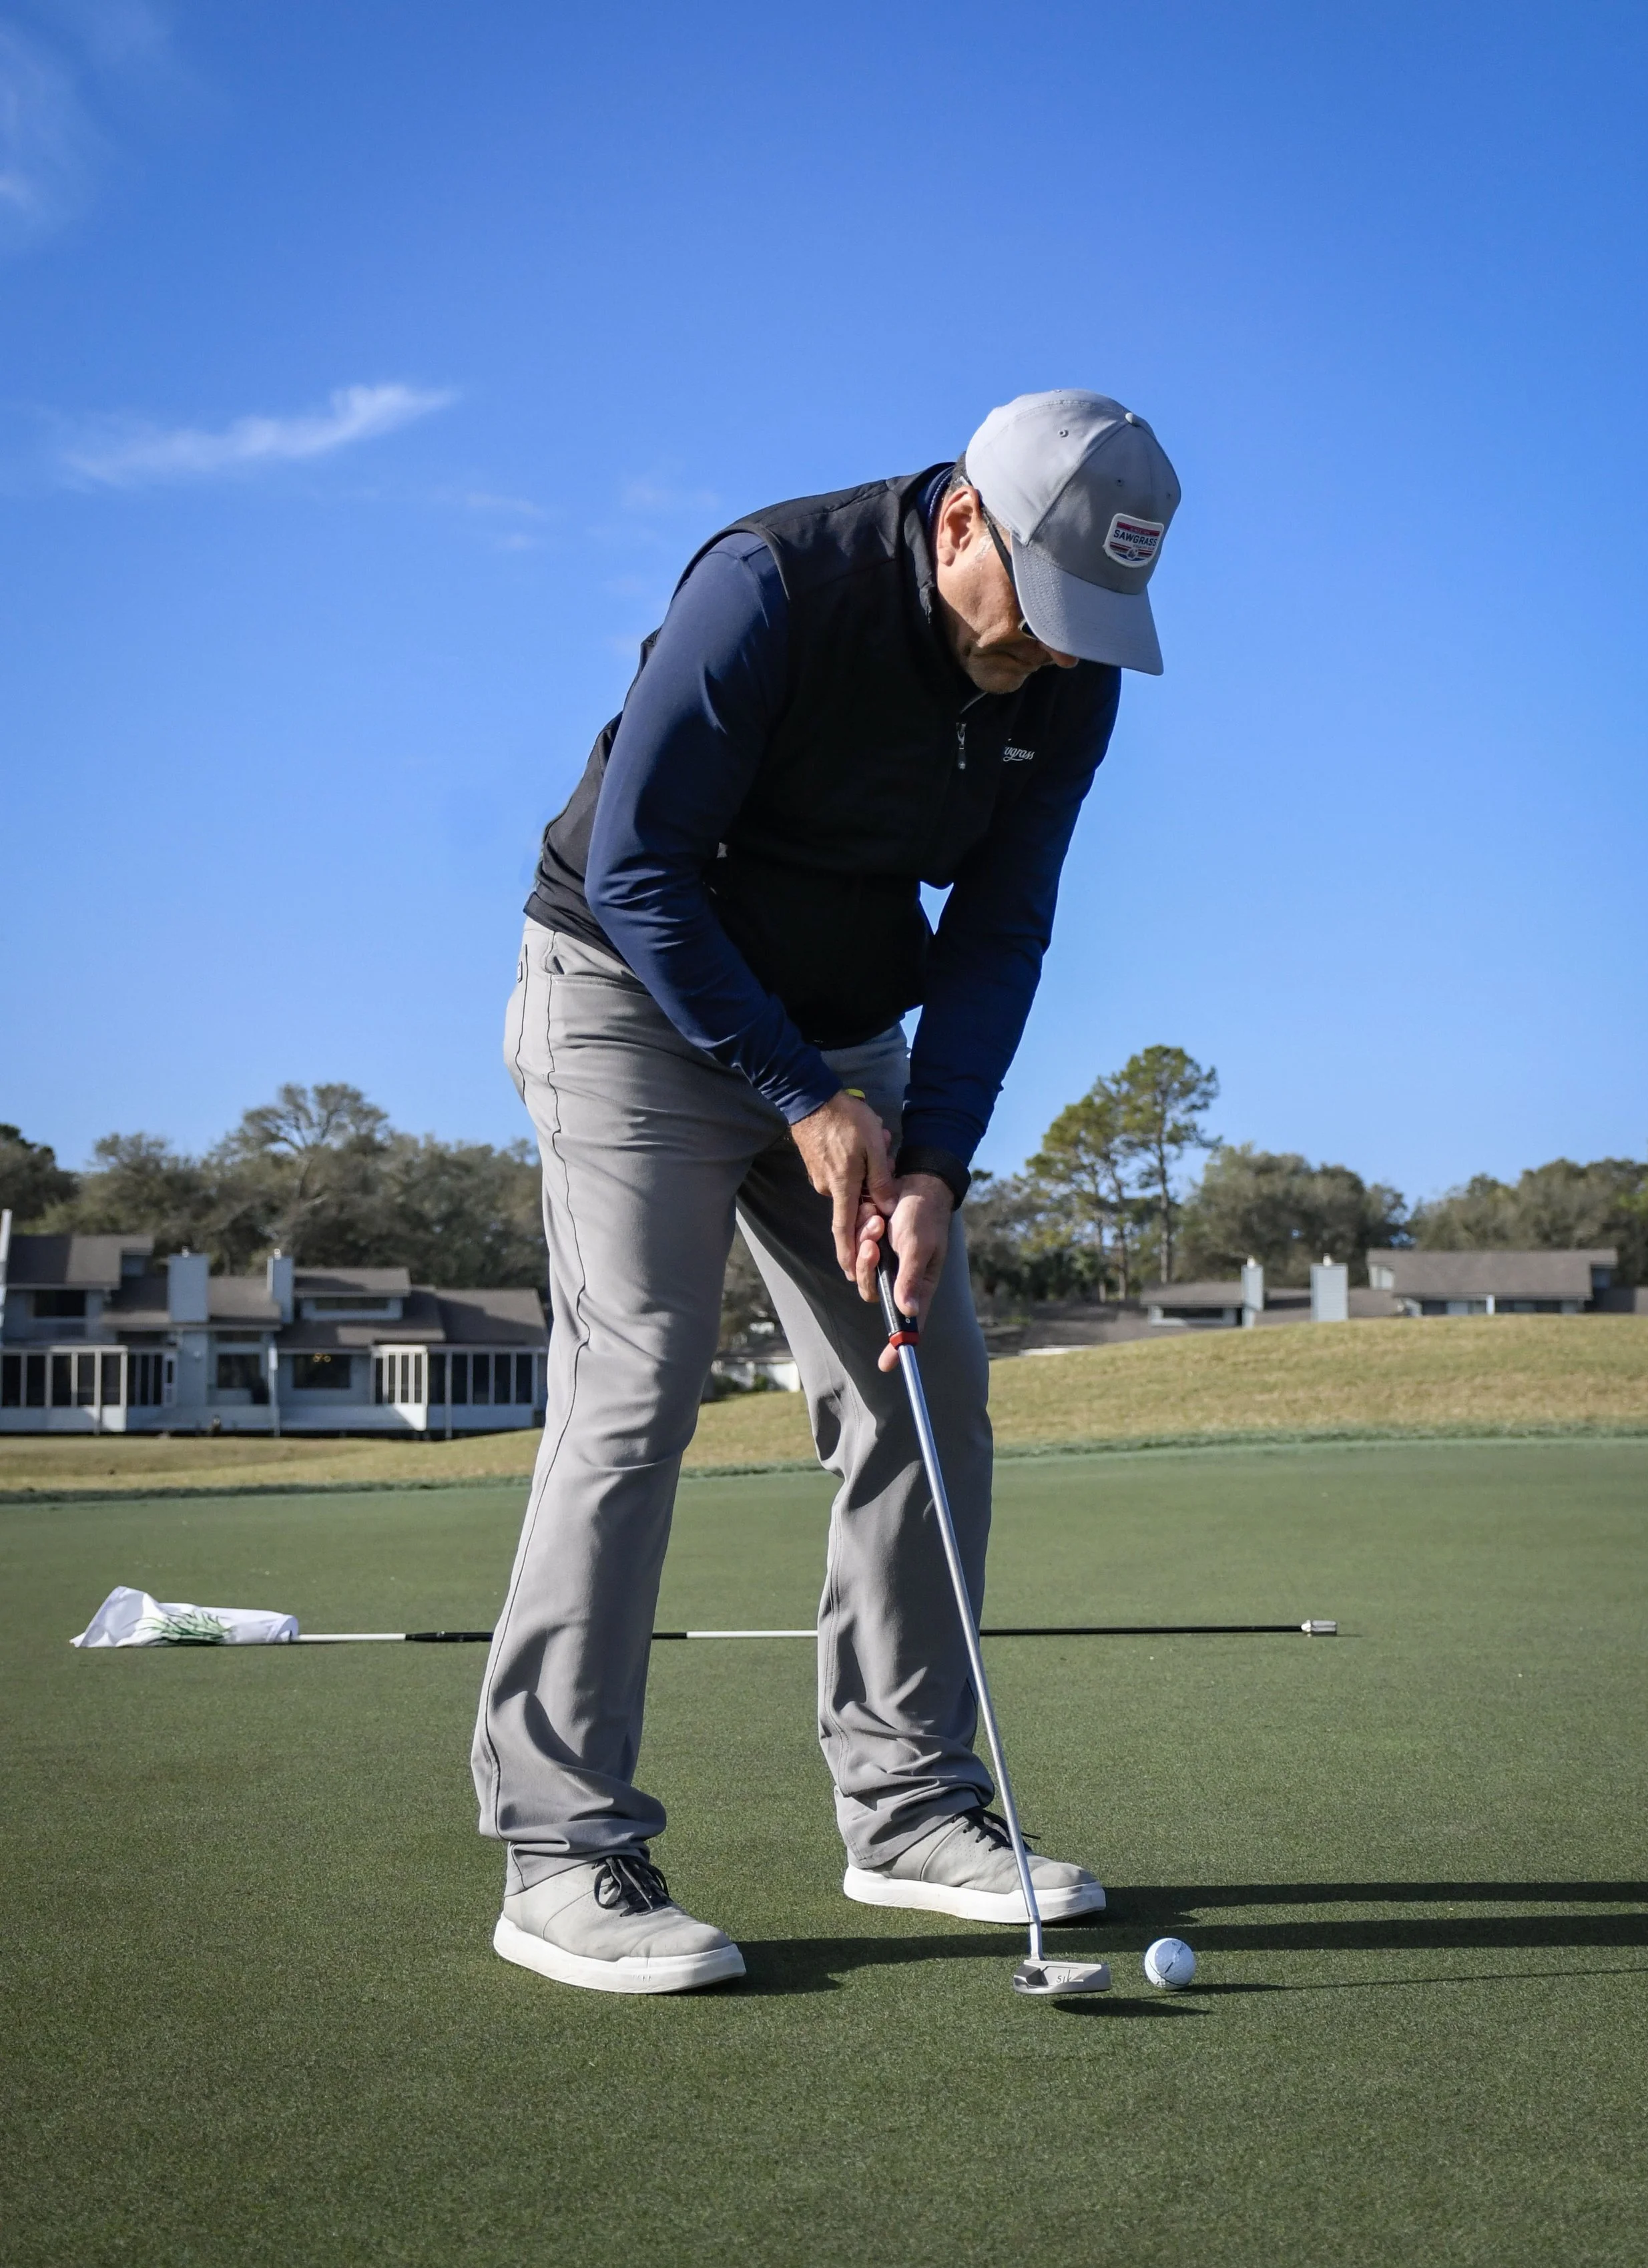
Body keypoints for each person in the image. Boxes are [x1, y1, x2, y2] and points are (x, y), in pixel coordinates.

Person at [473, 389, 1181, 1994]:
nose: (1056, 657)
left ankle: (910, 1806)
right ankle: (561, 1846)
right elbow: (643, 864)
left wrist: (929, 1159)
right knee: (635, 1383)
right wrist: (798, 1098)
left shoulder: (1068, 678)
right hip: (626, 989)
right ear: (955, 529)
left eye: (1091, 624)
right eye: (1042, 610)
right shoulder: (772, 585)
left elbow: (1001, 929)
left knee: (921, 1371)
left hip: (846, 1021)